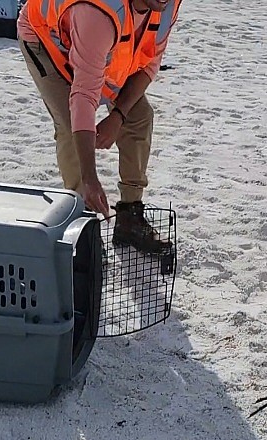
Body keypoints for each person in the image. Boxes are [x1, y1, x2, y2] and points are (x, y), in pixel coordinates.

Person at [17, 0, 180, 254]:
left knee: (140, 116)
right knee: (72, 127)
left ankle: (129, 218)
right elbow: (83, 97)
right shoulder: (98, 14)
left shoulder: (166, 4)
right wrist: (90, 179)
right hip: (47, 41)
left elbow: (149, 63)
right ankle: (82, 229)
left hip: (98, 45)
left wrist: (118, 116)